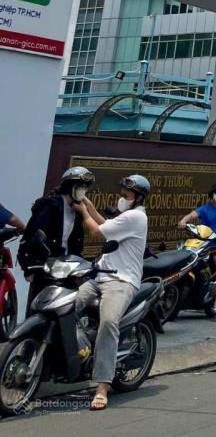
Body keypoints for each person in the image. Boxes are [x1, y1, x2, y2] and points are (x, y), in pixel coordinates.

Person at [73, 174, 150, 411]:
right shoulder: (125, 217)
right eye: (121, 195)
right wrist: (87, 202)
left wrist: (83, 212)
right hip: (99, 275)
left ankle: (102, 386)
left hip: (122, 281)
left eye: (126, 196)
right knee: (67, 307)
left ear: (138, 198)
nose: (121, 198)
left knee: (108, 322)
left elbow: (98, 232)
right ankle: (81, 348)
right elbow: (105, 224)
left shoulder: (136, 217)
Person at [18, 165, 91, 307]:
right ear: (70, 187)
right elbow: (31, 236)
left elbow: (76, 242)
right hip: (45, 266)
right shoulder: (50, 206)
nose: (84, 191)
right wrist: (28, 268)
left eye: (85, 187)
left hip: (67, 267)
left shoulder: (78, 211)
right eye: (81, 187)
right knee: (40, 308)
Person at [178, 182, 216, 318]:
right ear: (211, 195)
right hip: (202, 242)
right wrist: (183, 221)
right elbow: (191, 215)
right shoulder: (205, 209)